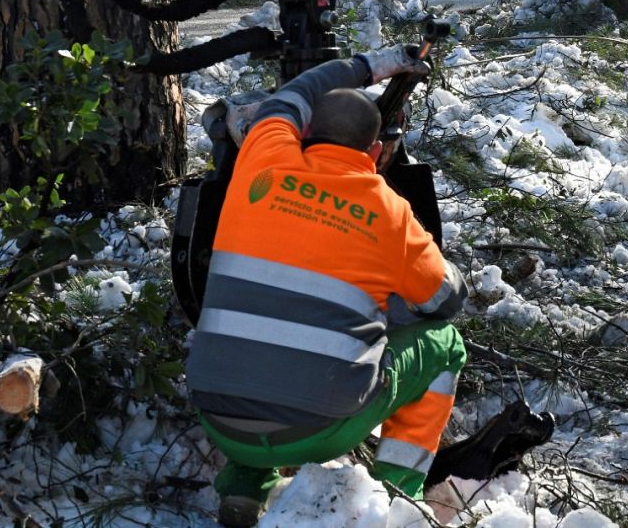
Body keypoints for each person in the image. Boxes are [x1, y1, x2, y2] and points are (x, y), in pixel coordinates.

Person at [184, 48, 468, 527]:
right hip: (317, 431)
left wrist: (373, 65)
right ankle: (400, 499)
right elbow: (444, 301)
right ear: (376, 153)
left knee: (260, 344)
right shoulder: (390, 212)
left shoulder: (261, 157)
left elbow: (297, 92)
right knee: (446, 347)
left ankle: (244, 487)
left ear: (304, 134)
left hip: (216, 419)